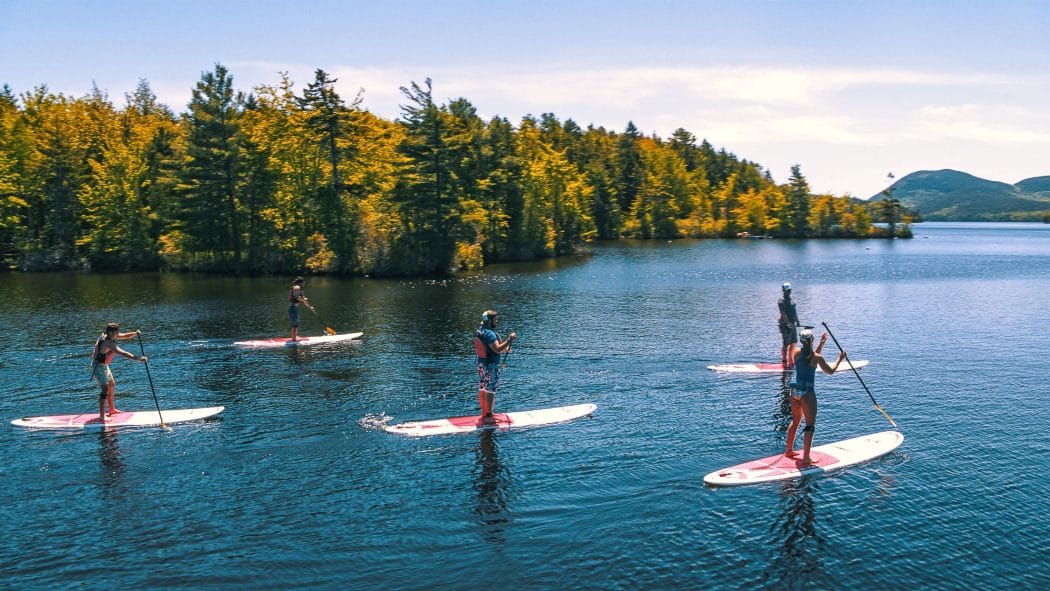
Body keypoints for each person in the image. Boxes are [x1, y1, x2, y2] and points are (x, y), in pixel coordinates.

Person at [784, 329, 847, 466]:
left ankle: (788, 450)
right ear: (811, 340)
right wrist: (839, 359)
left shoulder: (796, 353)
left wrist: (821, 344)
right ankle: (806, 458)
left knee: (795, 421)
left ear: (801, 341)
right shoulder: (817, 358)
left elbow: (810, 358)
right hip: (807, 392)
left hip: (794, 390)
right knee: (810, 425)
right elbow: (830, 371)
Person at [91, 323, 147, 422]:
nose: (116, 334)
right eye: (114, 332)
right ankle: (102, 415)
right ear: (109, 332)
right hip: (98, 367)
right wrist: (139, 358)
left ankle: (112, 409)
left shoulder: (111, 335)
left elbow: (125, 336)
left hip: (104, 366)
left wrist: (135, 333)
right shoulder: (108, 343)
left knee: (112, 384)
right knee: (105, 389)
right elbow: (123, 353)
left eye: (116, 331)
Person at [473, 310, 516, 420]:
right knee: (490, 389)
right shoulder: (490, 334)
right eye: (495, 319)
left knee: (482, 387)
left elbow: (492, 347)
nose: (496, 321)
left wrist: (505, 346)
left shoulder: (480, 331)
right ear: (490, 320)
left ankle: (484, 413)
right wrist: (509, 339)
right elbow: (497, 350)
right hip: (490, 365)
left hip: (481, 364)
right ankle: (489, 415)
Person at [778, 282, 801, 368]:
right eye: (787, 290)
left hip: (793, 324)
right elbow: (783, 314)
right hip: (785, 325)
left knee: (793, 343)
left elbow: (795, 312)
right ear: (783, 291)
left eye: (790, 290)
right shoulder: (781, 301)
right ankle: (784, 361)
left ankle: (791, 361)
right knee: (786, 343)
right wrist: (788, 323)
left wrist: (797, 321)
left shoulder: (791, 300)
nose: (789, 292)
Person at [288, 277, 315, 341]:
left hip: (294, 308)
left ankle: (294, 336)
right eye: (304, 283)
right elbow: (294, 298)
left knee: (296, 322)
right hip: (293, 307)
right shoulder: (297, 288)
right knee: (295, 323)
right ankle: (294, 339)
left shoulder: (300, 290)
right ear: (300, 283)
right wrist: (303, 299)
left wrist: (310, 308)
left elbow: (303, 301)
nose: (304, 284)